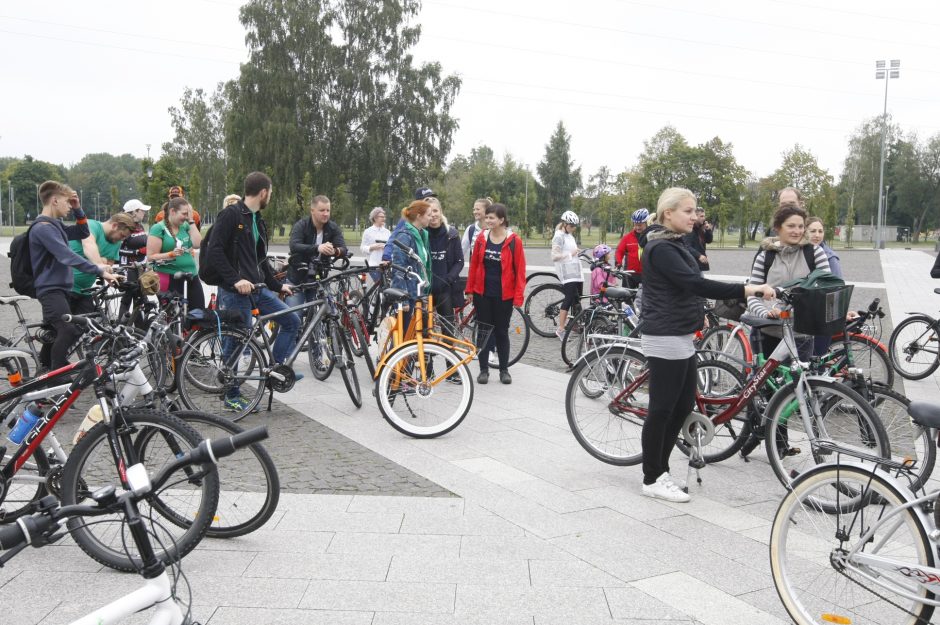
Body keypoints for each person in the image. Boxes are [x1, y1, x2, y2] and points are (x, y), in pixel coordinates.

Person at [640, 187, 773, 503]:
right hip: (665, 335)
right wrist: (749, 290)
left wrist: (699, 312)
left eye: (695, 210)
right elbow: (695, 283)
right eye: (687, 211)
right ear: (668, 213)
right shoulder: (661, 248)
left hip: (680, 334)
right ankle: (651, 477)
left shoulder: (674, 242)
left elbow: (689, 285)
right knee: (661, 409)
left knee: (683, 405)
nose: (695, 216)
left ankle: (661, 471)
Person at [205, 172, 299, 411]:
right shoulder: (231, 215)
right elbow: (214, 252)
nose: (270, 197)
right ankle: (231, 395)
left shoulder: (256, 219)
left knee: (291, 320)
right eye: (271, 193)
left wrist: (278, 286)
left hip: (257, 289)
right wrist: (235, 280)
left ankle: (276, 372)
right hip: (235, 292)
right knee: (236, 341)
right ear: (264, 192)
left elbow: (260, 260)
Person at [30, 181, 120, 370]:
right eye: (67, 202)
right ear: (54, 200)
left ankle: (44, 371)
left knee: (57, 333)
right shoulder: (43, 228)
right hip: (50, 289)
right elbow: (67, 255)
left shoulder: (56, 226)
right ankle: (55, 381)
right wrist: (99, 270)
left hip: (61, 288)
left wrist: (79, 209)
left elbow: (82, 231)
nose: (69, 206)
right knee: (67, 329)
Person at [747, 202, 831, 362]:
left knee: (801, 384)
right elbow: (752, 295)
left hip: (801, 334)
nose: (797, 231)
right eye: (791, 226)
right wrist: (766, 314)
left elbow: (826, 289)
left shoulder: (815, 253)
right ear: (778, 227)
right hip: (768, 333)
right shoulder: (765, 257)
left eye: (800, 226)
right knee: (769, 385)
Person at [465, 203, 526, 385]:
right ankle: (483, 370)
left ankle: (504, 370)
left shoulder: (514, 241)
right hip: (482, 293)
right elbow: (474, 265)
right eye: (487, 217)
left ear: (501, 220)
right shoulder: (482, 239)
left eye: (492, 218)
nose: (488, 220)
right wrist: (469, 289)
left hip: (504, 296)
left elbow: (520, 271)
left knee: (501, 332)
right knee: (483, 331)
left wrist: (518, 296)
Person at [286, 195, 348, 306]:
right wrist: (317, 248)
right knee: (294, 317)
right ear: (312, 211)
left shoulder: (333, 227)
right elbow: (294, 246)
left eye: (328, 210)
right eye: (322, 210)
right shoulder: (301, 225)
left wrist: (335, 251)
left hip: (320, 279)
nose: (326, 214)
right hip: (297, 279)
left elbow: (344, 249)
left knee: (326, 313)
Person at [147, 196, 205, 311]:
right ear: (172, 211)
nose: (186, 217)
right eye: (184, 214)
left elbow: (198, 244)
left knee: (198, 311)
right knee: (172, 315)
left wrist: (191, 221)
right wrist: (170, 254)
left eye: (188, 214)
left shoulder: (186, 225)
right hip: (169, 276)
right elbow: (150, 257)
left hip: (191, 275)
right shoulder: (158, 228)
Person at [389, 200, 432, 331]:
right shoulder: (404, 236)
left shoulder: (421, 234)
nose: (431, 217)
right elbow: (398, 268)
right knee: (403, 336)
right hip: (408, 293)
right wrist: (403, 299)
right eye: (429, 215)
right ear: (419, 216)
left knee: (413, 335)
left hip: (417, 291)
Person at [806, 216, 842, 356]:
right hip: (805, 315)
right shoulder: (801, 252)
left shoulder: (829, 257)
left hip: (822, 317)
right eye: (813, 231)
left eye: (820, 231)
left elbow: (837, 287)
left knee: (816, 357)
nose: (817, 235)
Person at [426, 197, 464, 328]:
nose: (433, 215)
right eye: (429, 212)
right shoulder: (421, 234)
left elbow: (459, 261)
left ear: (441, 211)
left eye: (435, 210)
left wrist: (448, 278)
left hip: (445, 288)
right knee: (424, 329)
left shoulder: (452, 234)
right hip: (426, 289)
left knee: (448, 328)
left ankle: (448, 349)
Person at [118, 199, 152, 320]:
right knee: (128, 298)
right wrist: (137, 252)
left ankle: (138, 330)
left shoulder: (140, 226)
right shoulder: (124, 227)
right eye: (142, 211)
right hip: (128, 268)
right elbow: (118, 250)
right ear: (134, 212)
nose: (144, 213)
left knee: (139, 299)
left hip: (139, 268)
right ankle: (119, 329)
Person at [551, 211, 582, 340]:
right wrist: (571, 254)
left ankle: (573, 324)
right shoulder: (559, 236)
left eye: (575, 226)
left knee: (577, 298)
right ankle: (561, 329)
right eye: (571, 226)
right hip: (567, 273)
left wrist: (578, 253)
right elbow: (555, 256)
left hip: (576, 272)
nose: (573, 228)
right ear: (564, 224)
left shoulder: (569, 235)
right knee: (569, 299)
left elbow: (571, 251)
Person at [614, 209, 649, 288]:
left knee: (645, 299)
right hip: (629, 274)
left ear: (646, 223)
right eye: (635, 224)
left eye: (640, 225)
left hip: (647, 274)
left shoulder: (651, 236)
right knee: (627, 297)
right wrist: (618, 263)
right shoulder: (627, 237)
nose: (637, 227)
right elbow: (619, 251)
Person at [360, 206, 390, 277]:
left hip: (386, 265)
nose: (384, 218)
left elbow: (391, 247)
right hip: (373, 265)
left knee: (386, 287)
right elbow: (362, 248)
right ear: (375, 218)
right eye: (381, 217)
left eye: (384, 217)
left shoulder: (387, 232)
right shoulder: (368, 231)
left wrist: (386, 247)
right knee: (380, 285)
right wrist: (372, 247)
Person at [683, 206, 713, 271]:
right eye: (701, 216)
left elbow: (709, 240)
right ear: (695, 216)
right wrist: (699, 255)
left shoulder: (700, 228)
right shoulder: (690, 229)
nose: (704, 218)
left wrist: (708, 230)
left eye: (704, 216)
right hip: (691, 263)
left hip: (698, 264)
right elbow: (686, 246)